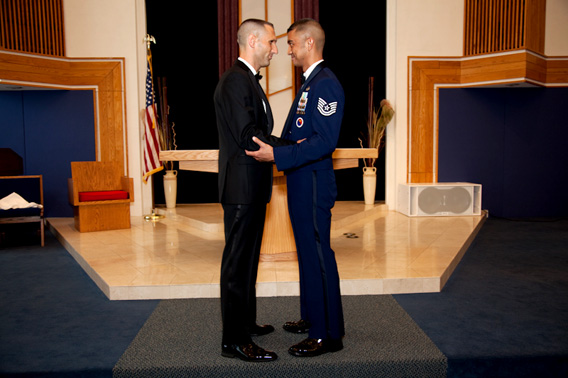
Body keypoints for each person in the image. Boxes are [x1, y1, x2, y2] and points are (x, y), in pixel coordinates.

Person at [246, 18, 345, 357]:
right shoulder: (309, 83)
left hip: (314, 182)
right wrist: (277, 146)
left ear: (308, 44)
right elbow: (298, 135)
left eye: (290, 44)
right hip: (302, 181)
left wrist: (279, 153)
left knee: (317, 255)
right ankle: (311, 317)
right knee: (306, 252)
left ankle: (327, 334)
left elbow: (324, 141)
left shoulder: (326, 84)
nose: (286, 50)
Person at [214, 18, 295, 362]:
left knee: (247, 262)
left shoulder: (247, 80)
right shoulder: (235, 81)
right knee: (237, 264)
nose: (276, 49)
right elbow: (249, 135)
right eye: (272, 42)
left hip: (252, 187)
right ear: (252, 40)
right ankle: (233, 340)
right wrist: (292, 147)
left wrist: (287, 146)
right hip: (241, 189)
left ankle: (245, 323)